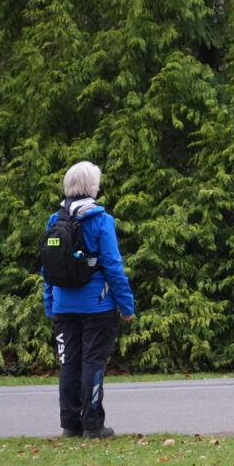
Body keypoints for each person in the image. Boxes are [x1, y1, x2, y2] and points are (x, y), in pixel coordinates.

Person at [42, 161, 136, 439]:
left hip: (63, 305)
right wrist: (127, 305)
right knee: (93, 362)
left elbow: (47, 267)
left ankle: (70, 425)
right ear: (92, 186)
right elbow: (113, 266)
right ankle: (94, 425)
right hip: (97, 306)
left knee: (68, 363)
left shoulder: (54, 220)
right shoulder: (101, 220)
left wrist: (50, 303)